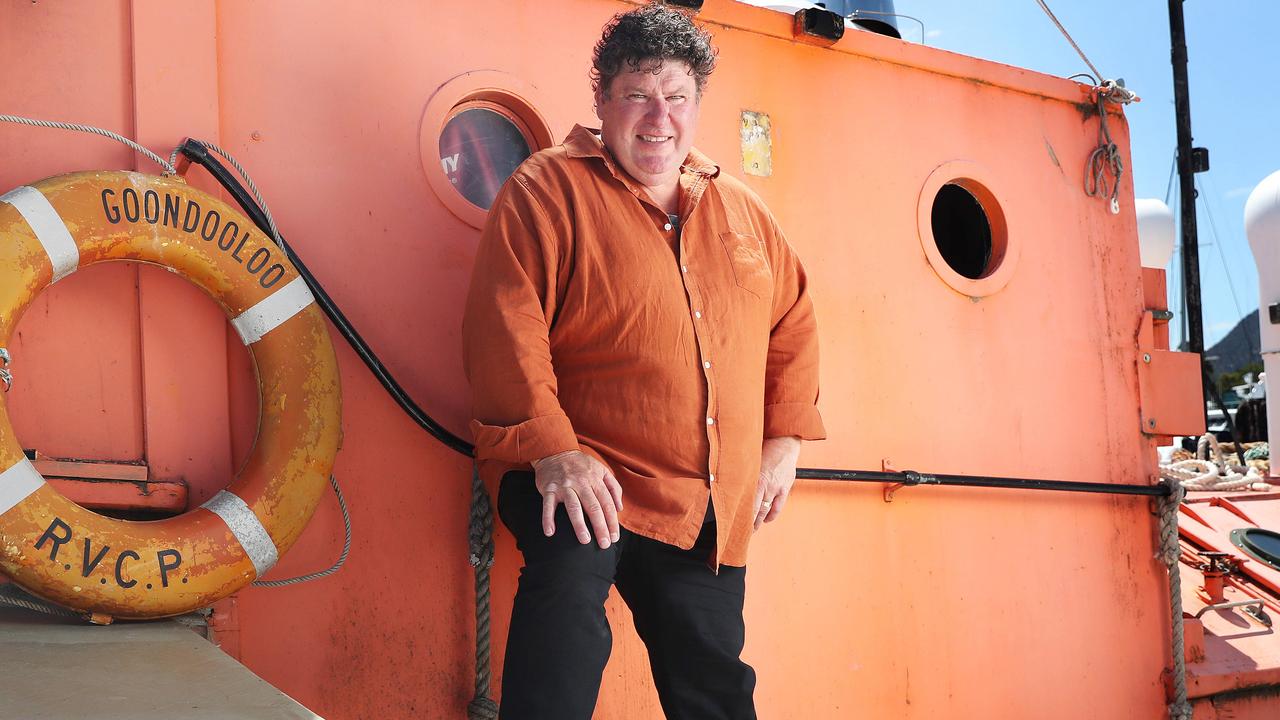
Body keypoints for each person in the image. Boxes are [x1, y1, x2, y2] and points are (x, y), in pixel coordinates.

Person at [462, 5, 824, 718]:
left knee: (715, 679)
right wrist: (554, 451)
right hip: (576, 470)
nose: (658, 116)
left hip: (700, 500)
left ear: (696, 105)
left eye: (677, 96)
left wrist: (782, 444)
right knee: (565, 616)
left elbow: (794, 322)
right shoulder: (546, 188)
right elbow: (505, 323)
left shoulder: (744, 210)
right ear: (602, 101)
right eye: (637, 94)